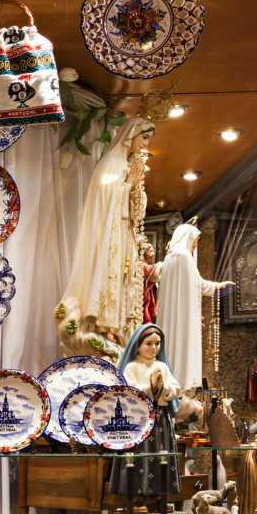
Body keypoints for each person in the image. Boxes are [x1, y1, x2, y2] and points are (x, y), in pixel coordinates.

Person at [55, 117, 155, 358]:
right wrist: (129, 182)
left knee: (124, 282)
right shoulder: (112, 162)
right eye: (143, 137)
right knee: (109, 278)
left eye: (148, 140)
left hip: (124, 235)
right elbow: (105, 198)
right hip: (111, 234)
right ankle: (104, 330)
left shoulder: (129, 166)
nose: (145, 144)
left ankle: (118, 333)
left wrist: (135, 185)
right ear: (131, 135)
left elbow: (137, 212)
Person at [108, 324, 181, 508]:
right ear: (138, 345)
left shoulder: (161, 366)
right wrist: (149, 387)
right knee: (138, 458)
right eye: (149, 343)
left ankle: (158, 496)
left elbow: (175, 388)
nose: (154, 347)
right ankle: (136, 497)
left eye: (157, 343)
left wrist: (163, 389)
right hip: (137, 420)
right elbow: (126, 390)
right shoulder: (132, 367)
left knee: (159, 457)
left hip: (160, 419)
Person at [157, 223, 236, 391]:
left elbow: (194, 283)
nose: (196, 244)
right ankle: (181, 386)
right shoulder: (183, 257)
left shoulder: (171, 257)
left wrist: (216, 286)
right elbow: (194, 284)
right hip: (181, 316)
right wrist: (215, 286)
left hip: (175, 315)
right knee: (182, 347)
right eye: (196, 240)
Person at [140, 240, 160, 324]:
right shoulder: (141, 265)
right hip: (144, 299)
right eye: (150, 251)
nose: (153, 254)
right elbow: (151, 271)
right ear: (144, 252)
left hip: (150, 297)